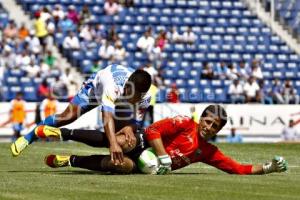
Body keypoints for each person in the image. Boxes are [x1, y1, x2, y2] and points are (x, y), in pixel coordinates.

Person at [35, 105, 287, 175]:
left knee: (118, 165)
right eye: (208, 121)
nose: (209, 127)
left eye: (214, 126)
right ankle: (64, 132)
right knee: (120, 143)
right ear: (202, 119)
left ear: (218, 129)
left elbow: (238, 169)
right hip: (143, 143)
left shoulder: (207, 151)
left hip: (147, 166)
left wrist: (268, 168)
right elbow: (154, 130)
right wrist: (163, 155)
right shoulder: (184, 123)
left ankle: (69, 160)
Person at [11, 64, 152, 166]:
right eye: (132, 97)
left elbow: (137, 120)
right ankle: (29, 136)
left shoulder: (146, 97)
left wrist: (130, 127)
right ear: (127, 87)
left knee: (123, 137)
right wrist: (113, 144)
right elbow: (107, 116)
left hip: (118, 100)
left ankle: (86, 161)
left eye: (137, 99)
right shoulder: (112, 86)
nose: (134, 101)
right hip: (95, 90)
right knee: (67, 117)